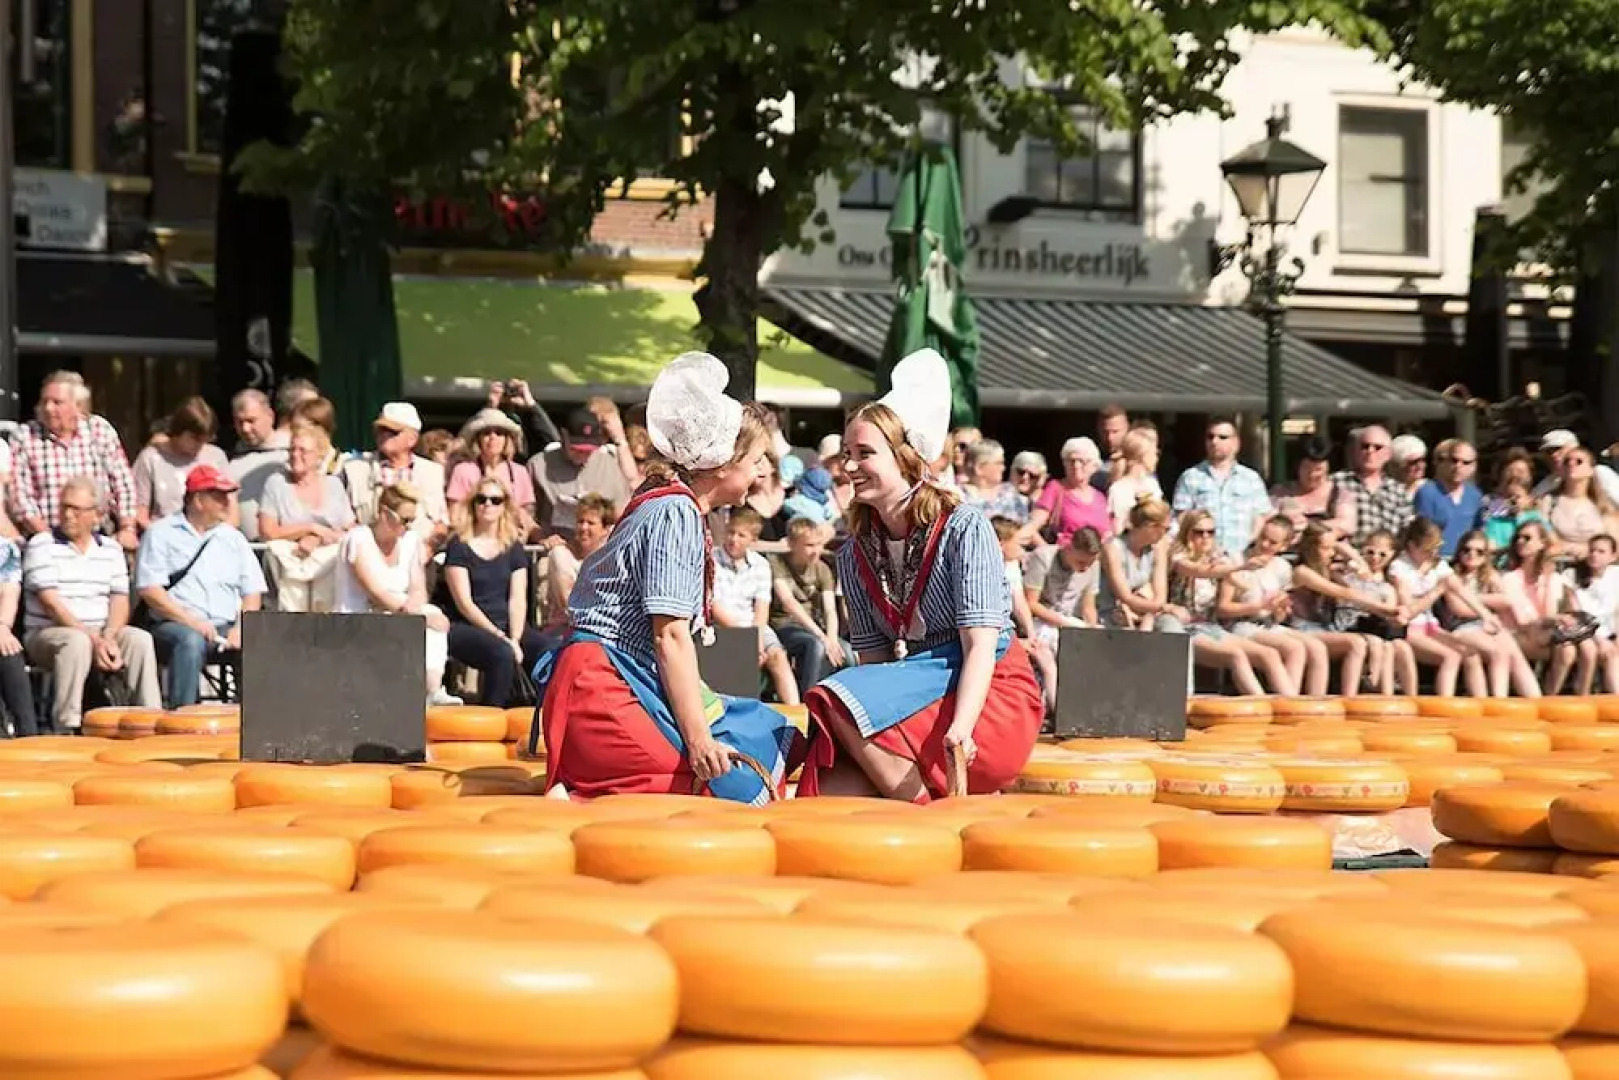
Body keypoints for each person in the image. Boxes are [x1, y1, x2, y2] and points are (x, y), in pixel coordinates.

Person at [531, 351, 800, 803]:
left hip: (613, 678)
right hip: (601, 687)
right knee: (722, 784)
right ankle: (584, 795)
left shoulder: (668, 501)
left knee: (765, 730)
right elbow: (670, 636)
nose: (762, 471)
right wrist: (698, 740)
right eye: (755, 459)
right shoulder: (676, 511)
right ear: (721, 462)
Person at [798, 349, 1043, 802]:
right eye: (847, 454)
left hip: (988, 700)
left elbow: (981, 646)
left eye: (864, 453)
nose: (849, 466)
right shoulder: (854, 553)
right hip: (916, 695)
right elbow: (874, 667)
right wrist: (876, 732)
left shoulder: (962, 526)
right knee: (830, 786)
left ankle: (933, 825)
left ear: (907, 457)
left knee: (837, 696)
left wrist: (962, 729)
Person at [23, 477, 161, 730]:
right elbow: (52, 605)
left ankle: (149, 720)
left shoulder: (110, 549)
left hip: (100, 630)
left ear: (96, 514)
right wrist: (93, 639)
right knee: (76, 642)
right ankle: (68, 725)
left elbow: (120, 598)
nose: (67, 515)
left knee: (139, 639)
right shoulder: (41, 545)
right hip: (49, 633)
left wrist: (108, 636)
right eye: (64, 506)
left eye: (75, 509)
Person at [134, 466, 267, 708]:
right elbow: (150, 590)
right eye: (219, 496)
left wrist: (242, 627)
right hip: (173, 625)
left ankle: (256, 722)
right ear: (198, 500)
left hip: (226, 625)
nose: (228, 503)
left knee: (260, 639)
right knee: (190, 641)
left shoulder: (233, 538)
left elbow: (252, 591)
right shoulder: (160, 534)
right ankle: (184, 719)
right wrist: (192, 622)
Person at [332, 481, 458, 706]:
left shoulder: (409, 540)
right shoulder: (358, 539)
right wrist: (413, 613)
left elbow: (418, 586)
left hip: (398, 614)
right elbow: (375, 592)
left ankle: (433, 688)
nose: (408, 527)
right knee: (427, 619)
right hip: (360, 618)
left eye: (412, 520)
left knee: (435, 616)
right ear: (383, 513)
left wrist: (418, 609)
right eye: (404, 520)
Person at [440, 475, 547, 707]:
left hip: (510, 626)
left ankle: (540, 717)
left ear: (504, 506)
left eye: (495, 500)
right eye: (482, 499)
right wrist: (502, 638)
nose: (487, 505)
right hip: (467, 625)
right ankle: (492, 718)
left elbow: (518, 599)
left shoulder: (513, 547)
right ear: (473, 504)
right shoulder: (458, 545)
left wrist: (515, 638)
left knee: (548, 650)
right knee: (501, 654)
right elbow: (464, 603)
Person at [712, 506, 800, 705]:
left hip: (752, 624)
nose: (733, 539)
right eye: (731, 532)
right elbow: (714, 607)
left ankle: (796, 714)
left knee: (777, 656)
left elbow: (761, 610)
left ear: (752, 540)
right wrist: (747, 640)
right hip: (721, 625)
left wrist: (757, 640)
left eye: (741, 535)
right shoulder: (712, 560)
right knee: (740, 653)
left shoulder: (760, 565)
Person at [769, 515, 850, 699]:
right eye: (809, 545)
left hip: (814, 627)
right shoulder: (778, 563)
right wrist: (823, 637)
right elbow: (789, 603)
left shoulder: (822, 569)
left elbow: (830, 609)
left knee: (848, 653)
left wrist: (832, 638)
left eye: (818, 544)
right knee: (815, 645)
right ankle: (809, 701)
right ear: (792, 544)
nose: (816, 551)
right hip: (785, 625)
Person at [132, 397, 231, 530]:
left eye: (204, 440)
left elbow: (231, 510)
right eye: (194, 438)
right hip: (165, 538)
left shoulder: (216, 457)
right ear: (179, 430)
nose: (199, 445)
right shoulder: (150, 458)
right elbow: (139, 512)